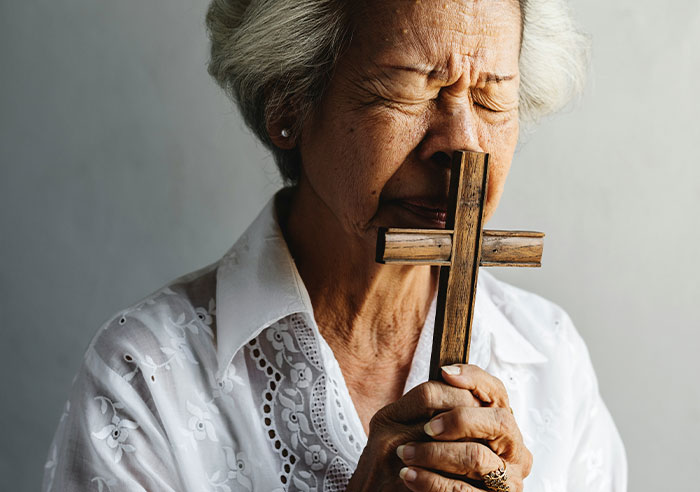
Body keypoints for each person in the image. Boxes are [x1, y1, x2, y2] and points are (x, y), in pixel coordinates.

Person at [42, 0, 627, 491]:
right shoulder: (145, 377)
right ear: (288, 105)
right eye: (409, 90)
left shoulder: (552, 358)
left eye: (491, 98)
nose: (464, 144)